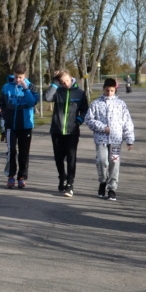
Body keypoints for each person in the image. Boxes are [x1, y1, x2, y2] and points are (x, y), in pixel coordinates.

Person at [84, 77, 135, 202]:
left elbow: (127, 122)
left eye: (112, 91)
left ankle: (112, 188)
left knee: (114, 162)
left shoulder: (121, 104)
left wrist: (129, 138)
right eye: (107, 90)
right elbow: (89, 120)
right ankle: (102, 181)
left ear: (115, 90)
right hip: (101, 139)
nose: (109, 93)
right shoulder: (96, 103)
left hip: (116, 139)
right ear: (103, 89)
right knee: (102, 161)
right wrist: (102, 127)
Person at [43, 69, 88, 197]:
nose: (65, 84)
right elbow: (47, 97)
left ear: (71, 78)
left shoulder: (79, 93)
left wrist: (79, 120)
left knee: (71, 157)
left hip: (72, 131)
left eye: (67, 81)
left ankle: (70, 183)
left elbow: (85, 110)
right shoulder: (58, 91)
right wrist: (54, 82)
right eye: (62, 82)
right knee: (58, 158)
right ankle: (62, 177)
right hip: (57, 130)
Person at [0, 64, 39, 189]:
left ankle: (22, 177)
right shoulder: (6, 87)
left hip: (25, 125)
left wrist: (25, 88)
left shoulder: (32, 87)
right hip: (10, 125)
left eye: (20, 77)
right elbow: (1, 103)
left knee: (24, 152)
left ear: (24, 75)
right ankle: (11, 176)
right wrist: (1, 111)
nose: (17, 80)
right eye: (16, 77)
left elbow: (32, 102)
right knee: (11, 151)